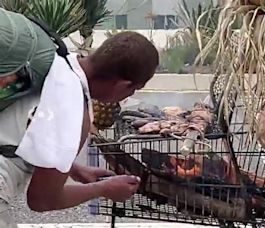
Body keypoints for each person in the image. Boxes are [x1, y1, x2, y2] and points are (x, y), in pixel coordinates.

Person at [0, 8, 159, 227]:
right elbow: (42, 200)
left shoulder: (54, 60)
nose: (127, 97)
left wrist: (74, 169)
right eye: (134, 90)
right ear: (124, 85)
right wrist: (104, 189)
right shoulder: (74, 111)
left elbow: (29, 127)